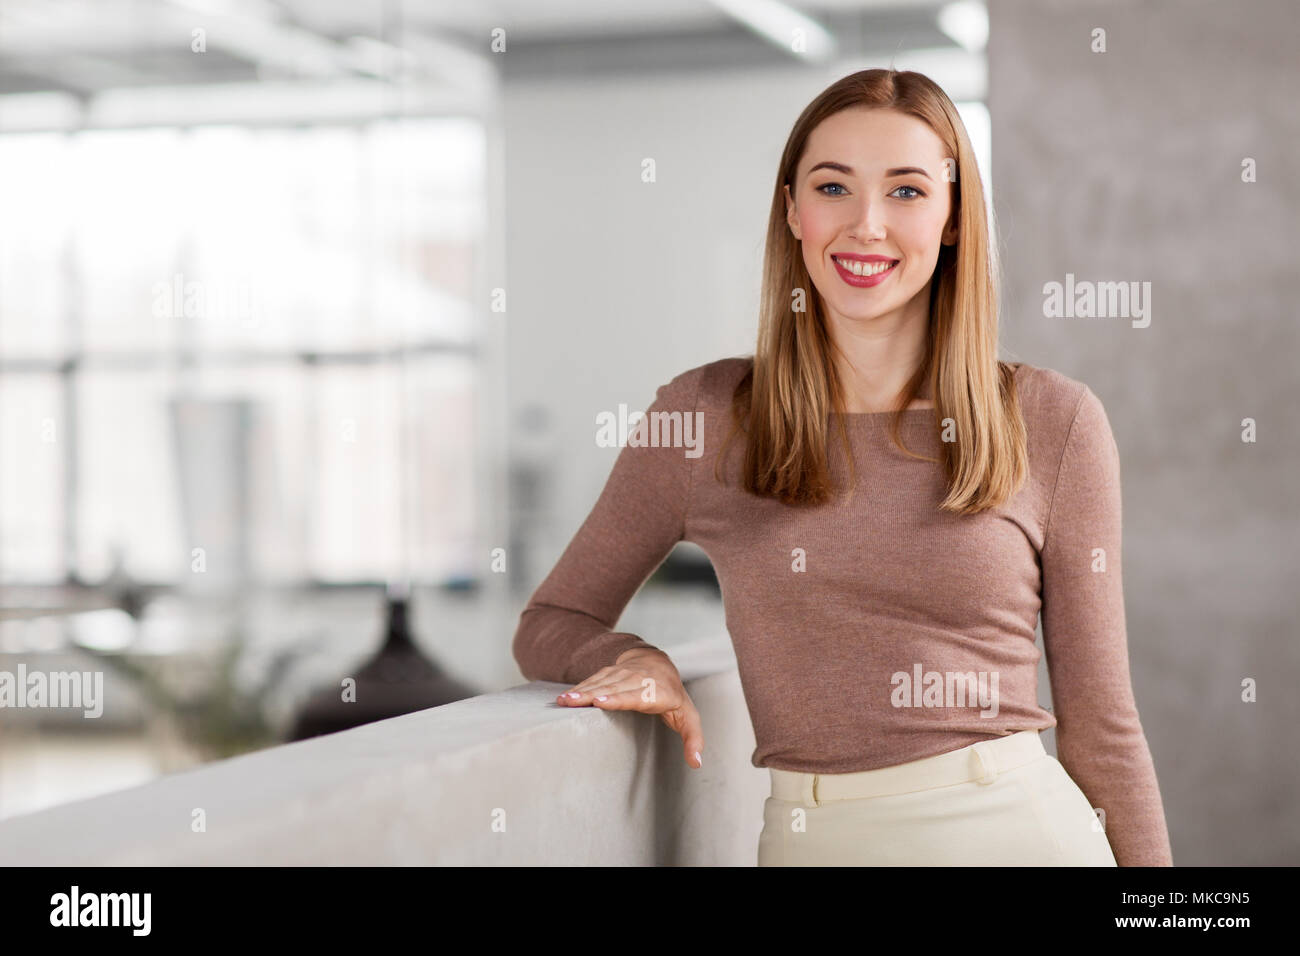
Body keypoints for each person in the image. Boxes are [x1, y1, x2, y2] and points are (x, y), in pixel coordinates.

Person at [512, 68, 1173, 867]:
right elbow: (552, 620)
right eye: (833, 187)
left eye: (905, 191)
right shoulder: (706, 416)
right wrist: (631, 658)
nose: (866, 225)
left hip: (1020, 834)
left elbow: (1103, 729)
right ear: (792, 209)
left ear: (953, 216)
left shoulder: (1054, 419)